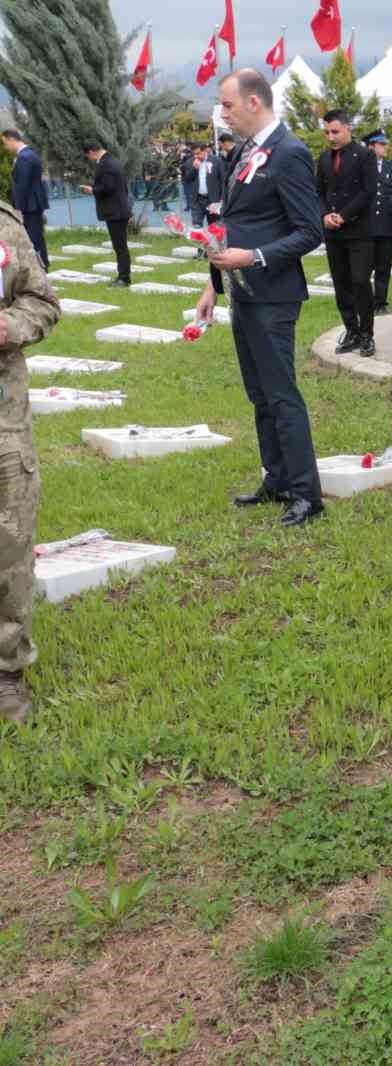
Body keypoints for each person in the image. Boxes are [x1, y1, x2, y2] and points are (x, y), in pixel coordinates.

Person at [192, 69, 326, 528]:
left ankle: (307, 494)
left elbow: (309, 231)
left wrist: (254, 257)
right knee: (260, 393)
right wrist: (214, 284)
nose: (222, 113)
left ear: (254, 102)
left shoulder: (290, 153)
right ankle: (277, 478)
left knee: (281, 394)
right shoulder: (245, 151)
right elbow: (236, 222)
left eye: (227, 104)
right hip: (242, 293)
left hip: (274, 294)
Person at [0, 196, 62, 724]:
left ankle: (6, 670)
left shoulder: (3, 227)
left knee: (9, 539)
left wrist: (9, 326)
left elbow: (41, 301)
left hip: (1, 412)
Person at [316, 109, 379, 358]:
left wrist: (343, 215)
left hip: (359, 230)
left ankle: (367, 334)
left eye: (335, 131)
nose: (330, 137)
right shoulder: (323, 158)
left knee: (361, 281)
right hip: (333, 233)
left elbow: (368, 191)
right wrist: (324, 214)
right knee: (341, 284)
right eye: (326, 132)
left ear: (347, 129)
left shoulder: (365, 155)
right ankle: (351, 330)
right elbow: (318, 192)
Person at [79, 143, 132, 287]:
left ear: (91, 152)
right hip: (119, 208)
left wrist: (92, 190)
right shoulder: (113, 161)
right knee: (120, 246)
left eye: (88, 156)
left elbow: (108, 187)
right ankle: (122, 276)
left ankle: (124, 278)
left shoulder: (105, 164)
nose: (89, 159)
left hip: (115, 211)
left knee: (120, 247)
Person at [2, 130, 49, 269]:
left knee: (33, 237)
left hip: (30, 204)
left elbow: (23, 185)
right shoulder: (29, 154)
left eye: (5, 143)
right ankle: (43, 264)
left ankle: (40, 267)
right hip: (33, 203)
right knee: (37, 236)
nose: (6, 147)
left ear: (11, 139)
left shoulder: (24, 157)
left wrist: (18, 208)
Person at [364, 131, 392, 315]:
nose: (386, 147)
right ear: (371, 146)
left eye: (386, 144)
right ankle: (364, 303)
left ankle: (380, 303)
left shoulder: (391, 167)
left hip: (386, 226)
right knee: (364, 268)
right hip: (366, 226)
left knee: (384, 267)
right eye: (382, 144)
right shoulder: (361, 166)